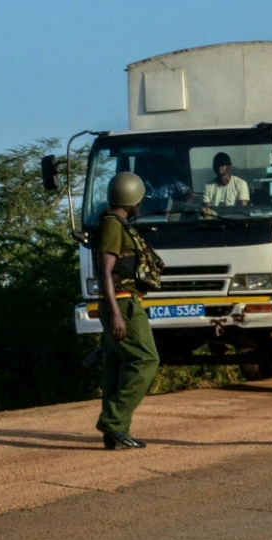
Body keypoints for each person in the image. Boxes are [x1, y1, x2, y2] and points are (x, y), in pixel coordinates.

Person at [93, 172, 163, 450]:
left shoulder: (113, 223)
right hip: (122, 303)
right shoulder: (112, 226)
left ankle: (116, 432)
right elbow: (105, 272)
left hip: (120, 302)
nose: (140, 205)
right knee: (146, 361)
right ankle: (113, 422)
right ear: (132, 199)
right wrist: (117, 313)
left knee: (116, 364)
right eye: (139, 201)